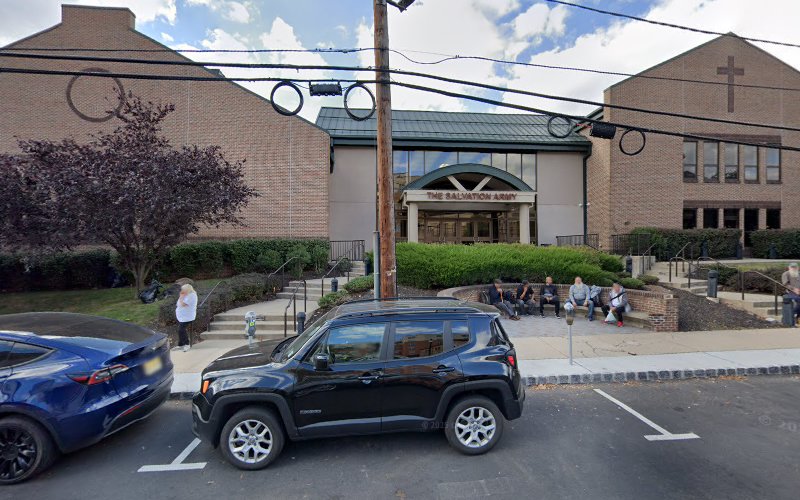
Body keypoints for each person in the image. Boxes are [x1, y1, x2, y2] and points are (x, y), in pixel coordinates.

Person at [174, 284, 198, 352]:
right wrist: (181, 297)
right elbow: (178, 304)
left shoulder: (192, 295)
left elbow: (183, 304)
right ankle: (181, 345)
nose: (182, 291)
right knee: (180, 330)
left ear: (187, 289)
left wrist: (181, 297)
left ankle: (187, 344)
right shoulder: (185, 295)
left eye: (183, 289)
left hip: (188, 316)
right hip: (182, 317)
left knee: (181, 330)